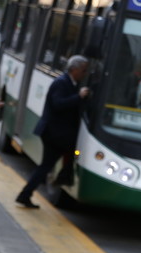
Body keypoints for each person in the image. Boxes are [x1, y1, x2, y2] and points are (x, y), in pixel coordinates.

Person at [15, 55, 91, 209]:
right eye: (83, 70)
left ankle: (28, 193)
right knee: (46, 166)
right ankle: (26, 194)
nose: (85, 74)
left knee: (47, 165)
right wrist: (78, 97)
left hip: (57, 134)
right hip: (54, 133)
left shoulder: (71, 83)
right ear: (74, 69)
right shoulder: (61, 83)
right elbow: (58, 104)